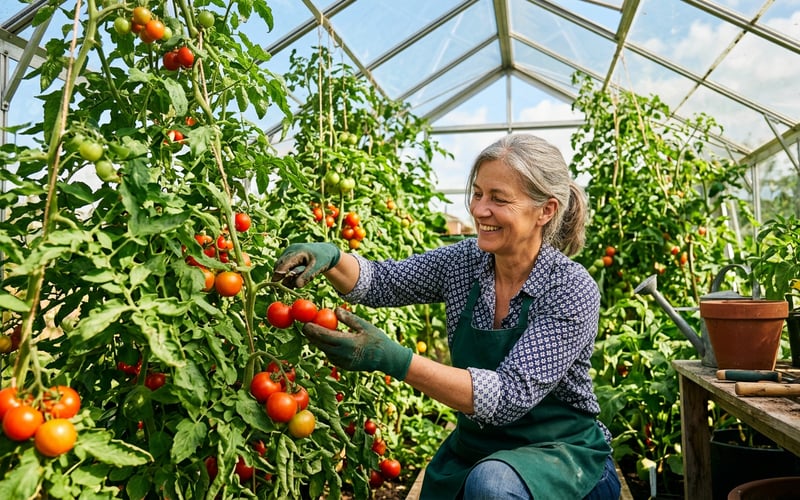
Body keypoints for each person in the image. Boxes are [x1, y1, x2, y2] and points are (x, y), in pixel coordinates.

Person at [271, 134, 621, 499]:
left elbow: (507, 396)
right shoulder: (465, 261)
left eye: (498, 199)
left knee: (492, 484)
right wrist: (331, 257)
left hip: (563, 460)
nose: (480, 209)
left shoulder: (569, 288)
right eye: (478, 193)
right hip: (477, 453)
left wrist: (395, 360)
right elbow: (382, 282)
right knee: (485, 479)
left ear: (545, 211)